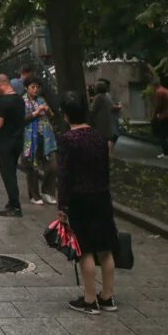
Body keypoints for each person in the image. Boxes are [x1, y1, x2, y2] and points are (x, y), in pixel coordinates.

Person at [56, 92, 119, 315]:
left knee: (85, 250)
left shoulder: (67, 140)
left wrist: (62, 206)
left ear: (65, 115)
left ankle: (90, 299)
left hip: (80, 198)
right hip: (101, 195)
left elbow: (64, 176)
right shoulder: (99, 137)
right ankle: (108, 296)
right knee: (105, 248)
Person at [0, 74, 26, 217]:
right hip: (18, 140)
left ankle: (15, 206)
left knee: (8, 174)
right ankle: (12, 202)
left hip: (6, 142)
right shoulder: (20, 99)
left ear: (0, 84)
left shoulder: (4, 102)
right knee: (12, 172)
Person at [22, 78, 58, 205]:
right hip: (30, 139)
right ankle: (34, 195)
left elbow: (52, 116)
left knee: (53, 166)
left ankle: (47, 192)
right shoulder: (23, 101)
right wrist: (36, 112)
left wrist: (47, 110)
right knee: (32, 167)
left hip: (46, 138)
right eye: (33, 87)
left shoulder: (42, 100)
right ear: (27, 87)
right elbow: (21, 119)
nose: (35, 90)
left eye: (37, 87)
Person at [152, 78, 168, 159]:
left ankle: (165, 153)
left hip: (165, 116)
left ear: (154, 86)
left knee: (162, 136)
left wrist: (155, 115)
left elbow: (158, 106)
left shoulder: (159, 92)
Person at [88, 79, 116, 152]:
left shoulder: (98, 97)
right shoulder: (107, 96)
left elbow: (92, 111)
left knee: (98, 146)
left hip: (100, 125)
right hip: (107, 125)